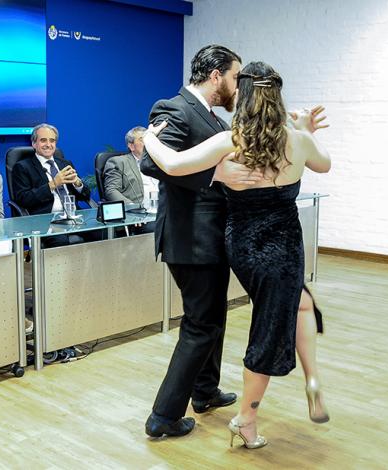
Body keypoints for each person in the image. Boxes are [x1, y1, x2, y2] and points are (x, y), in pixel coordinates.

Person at [143, 61, 332, 449]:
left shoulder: (232, 139)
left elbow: (174, 164)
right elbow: (325, 164)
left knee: (297, 305)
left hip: (243, 247)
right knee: (273, 323)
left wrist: (149, 140)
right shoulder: (297, 141)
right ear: (277, 97)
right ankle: (248, 417)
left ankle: (247, 395)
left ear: (243, 95)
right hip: (284, 247)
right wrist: (306, 130)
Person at [140, 45, 266, 438]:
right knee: (201, 324)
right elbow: (151, 161)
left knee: (214, 317)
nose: (236, 86)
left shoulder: (208, 116)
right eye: (234, 77)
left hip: (208, 239)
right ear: (215, 76)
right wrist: (215, 176)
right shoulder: (173, 107)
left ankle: (205, 391)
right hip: (189, 240)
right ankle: (163, 416)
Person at [11, 123, 94, 248]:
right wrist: (53, 184)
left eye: (52, 141)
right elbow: (23, 199)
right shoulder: (22, 167)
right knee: (60, 241)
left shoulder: (65, 163)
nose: (48, 145)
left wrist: (78, 183)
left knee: (102, 232)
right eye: (43, 140)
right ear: (34, 143)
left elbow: (86, 195)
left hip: (74, 217)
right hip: (46, 221)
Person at [103, 126, 157, 233]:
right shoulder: (118, 162)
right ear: (131, 146)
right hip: (142, 216)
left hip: (165, 211)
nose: (147, 142)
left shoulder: (159, 161)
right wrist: (133, 209)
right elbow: (111, 190)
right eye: (142, 139)